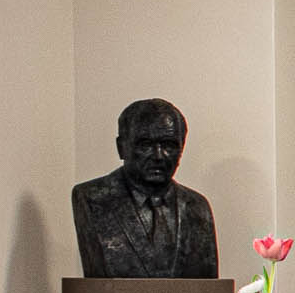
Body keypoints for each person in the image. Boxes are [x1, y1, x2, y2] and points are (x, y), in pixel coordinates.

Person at [70, 98, 221, 280]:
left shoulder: (197, 208)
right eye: (145, 145)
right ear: (121, 147)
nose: (158, 156)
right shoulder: (93, 199)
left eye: (169, 145)